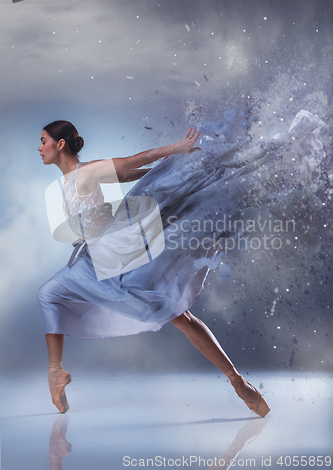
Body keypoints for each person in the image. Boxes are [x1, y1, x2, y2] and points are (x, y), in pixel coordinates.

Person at [39, 113, 326, 418]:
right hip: (96, 259)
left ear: (59, 144)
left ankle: (238, 382)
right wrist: (168, 172)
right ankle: (55, 373)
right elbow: (126, 175)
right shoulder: (72, 179)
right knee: (51, 295)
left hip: (118, 253)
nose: (40, 148)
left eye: (43, 142)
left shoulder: (87, 171)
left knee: (177, 312)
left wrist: (176, 152)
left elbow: (133, 161)